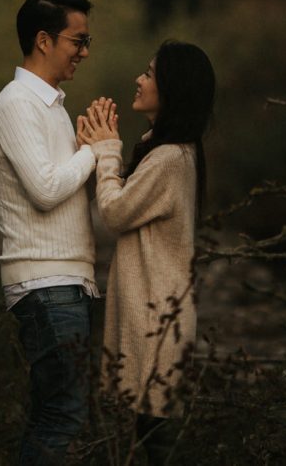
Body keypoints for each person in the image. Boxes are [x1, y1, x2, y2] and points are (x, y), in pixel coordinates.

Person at [77, 40, 215, 465]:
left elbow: (115, 212)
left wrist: (106, 152)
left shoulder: (170, 158)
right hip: (158, 314)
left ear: (172, 88)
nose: (139, 80)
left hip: (157, 319)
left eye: (150, 73)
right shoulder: (167, 151)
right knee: (147, 437)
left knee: (155, 441)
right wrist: (98, 150)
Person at [0, 0, 100, 465]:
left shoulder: (52, 106)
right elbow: (46, 190)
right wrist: (96, 151)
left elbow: (66, 189)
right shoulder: (17, 102)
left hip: (67, 282)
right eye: (77, 40)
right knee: (63, 415)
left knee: (66, 414)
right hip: (45, 284)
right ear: (43, 40)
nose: (84, 51)